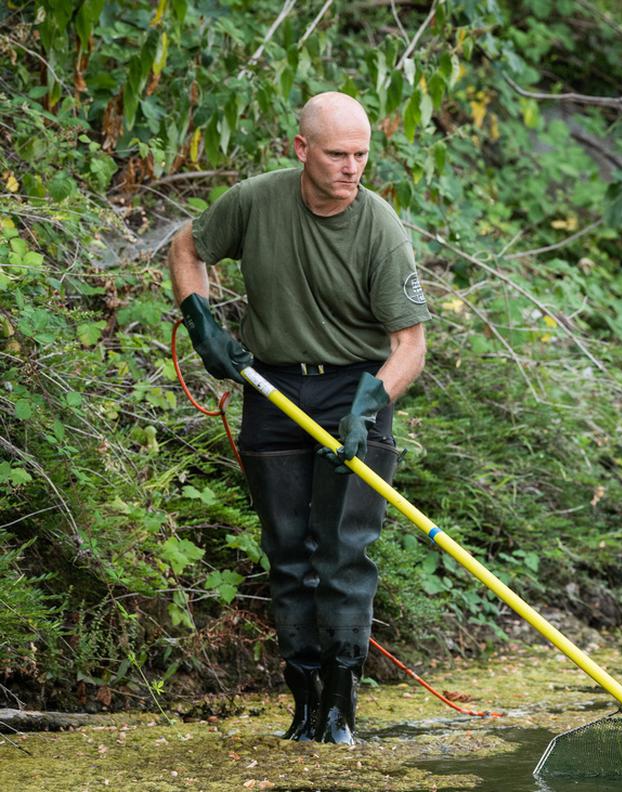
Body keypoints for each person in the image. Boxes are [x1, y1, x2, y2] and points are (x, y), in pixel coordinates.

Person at [167, 91, 430, 744]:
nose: (351, 168)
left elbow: (410, 347)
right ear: (301, 149)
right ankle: (303, 705)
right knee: (288, 553)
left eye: (361, 155)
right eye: (338, 154)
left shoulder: (380, 229)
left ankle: (340, 710)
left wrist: (370, 404)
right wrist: (200, 321)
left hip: (356, 390)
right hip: (273, 387)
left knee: (343, 552)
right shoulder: (256, 202)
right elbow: (185, 246)